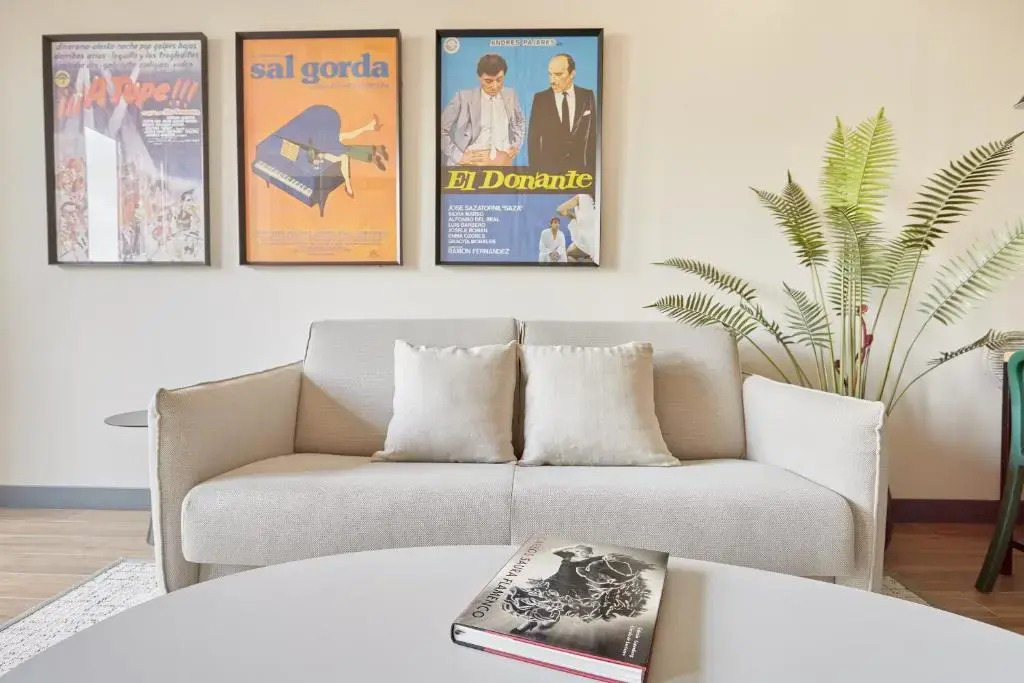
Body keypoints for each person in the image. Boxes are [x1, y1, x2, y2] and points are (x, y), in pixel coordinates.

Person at [440, 53, 526, 166]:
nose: (495, 86)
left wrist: (516, 145)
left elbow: (520, 121)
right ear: (479, 77)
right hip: (468, 169)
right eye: (488, 81)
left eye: (499, 80)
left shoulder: (510, 95)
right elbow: (441, 129)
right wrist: (459, 157)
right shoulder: (463, 97)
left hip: (503, 168)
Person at [527, 54, 597, 170]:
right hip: (549, 174)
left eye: (558, 74)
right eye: (550, 74)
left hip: (579, 174)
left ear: (572, 73)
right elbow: (533, 140)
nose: (552, 81)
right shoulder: (540, 99)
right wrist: (535, 174)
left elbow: (592, 137)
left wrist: (591, 172)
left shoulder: (587, 96)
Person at [557, 193, 598, 263]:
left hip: (586, 241)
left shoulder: (581, 197)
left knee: (566, 255)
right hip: (599, 241)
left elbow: (560, 209)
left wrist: (572, 216)